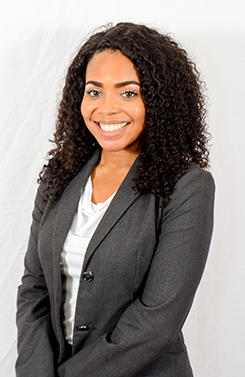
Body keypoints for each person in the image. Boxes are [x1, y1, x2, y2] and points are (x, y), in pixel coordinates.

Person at [16, 22, 215, 377]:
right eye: (94, 92)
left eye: (128, 93)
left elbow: (157, 320)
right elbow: (34, 288)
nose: (106, 109)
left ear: (158, 99)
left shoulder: (187, 187)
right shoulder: (58, 176)